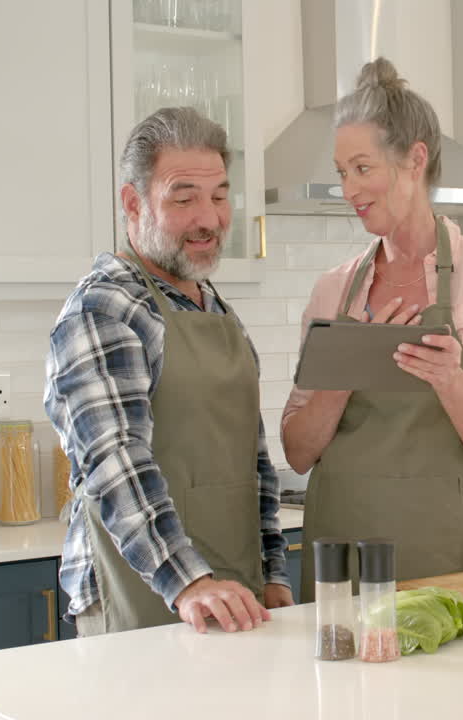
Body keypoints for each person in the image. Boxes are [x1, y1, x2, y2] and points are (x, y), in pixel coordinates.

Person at [281, 58, 463, 599]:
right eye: (342, 171)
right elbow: (297, 452)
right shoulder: (334, 291)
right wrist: (343, 369)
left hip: (452, 567)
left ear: (415, 159)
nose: (349, 188)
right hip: (343, 568)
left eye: (363, 168)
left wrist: (449, 379)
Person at [44, 107, 293, 636]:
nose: (209, 218)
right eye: (184, 198)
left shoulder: (213, 308)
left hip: (230, 596)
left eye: (220, 196)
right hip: (145, 596)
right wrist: (188, 583)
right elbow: (115, 462)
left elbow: (254, 463)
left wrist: (273, 572)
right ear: (133, 204)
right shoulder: (104, 308)